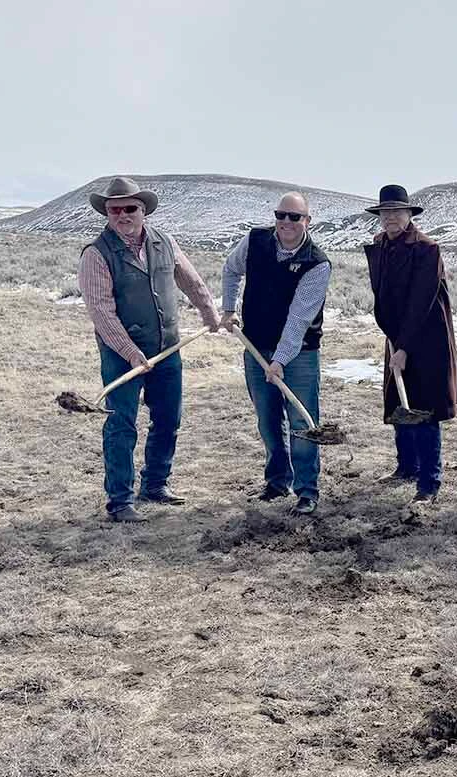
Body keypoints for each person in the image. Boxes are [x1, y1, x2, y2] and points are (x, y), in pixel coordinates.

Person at [77, 176, 220, 523]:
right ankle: (120, 501)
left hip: (167, 349)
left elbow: (190, 279)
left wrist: (209, 312)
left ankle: (155, 484)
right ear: (107, 214)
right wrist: (129, 352)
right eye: (115, 210)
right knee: (121, 425)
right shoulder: (97, 254)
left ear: (143, 210)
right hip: (121, 354)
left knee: (168, 418)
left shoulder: (163, 242)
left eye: (130, 208)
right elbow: (101, 312)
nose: (122, 215)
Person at [363, 185, 457, 505]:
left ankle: (429, 482)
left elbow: (421, 301)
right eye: (385, 213)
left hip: (427, 339)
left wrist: (405, 347)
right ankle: (406, 467)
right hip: (397, 335)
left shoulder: (427, 248)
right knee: (399, 402)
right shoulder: (380, 244)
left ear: (409, 214)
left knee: (424, 410)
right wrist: (394, 340)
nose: (391, 218)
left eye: (397, 212)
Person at [219, 192, 330, 515]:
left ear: (307, 221)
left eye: (294, 217)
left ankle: (307, 490)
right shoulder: (256, 241)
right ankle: (277, 481)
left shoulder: (317, 262)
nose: (286, 222)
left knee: (302, 420)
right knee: (267, 419)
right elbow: (230, 269)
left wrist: (279, 360)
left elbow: (298, 319)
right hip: (255, 344)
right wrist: (228, 309)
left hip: (300, 353)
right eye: (281, 215)